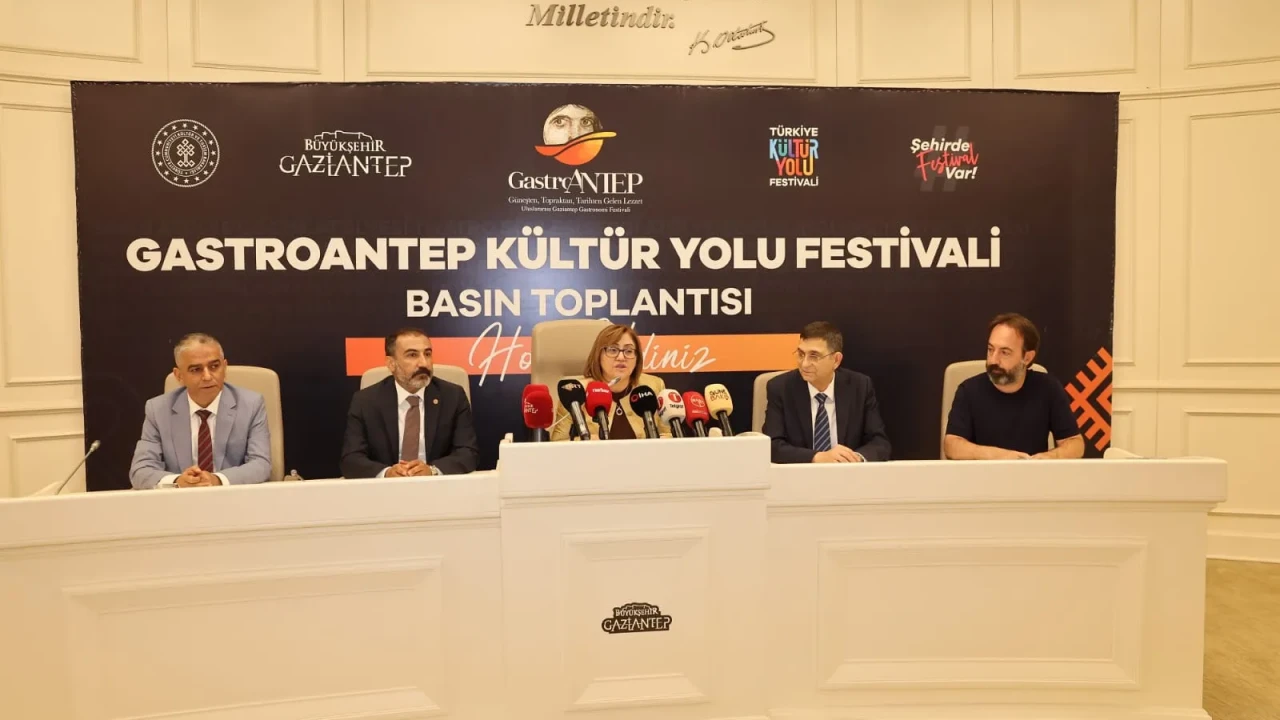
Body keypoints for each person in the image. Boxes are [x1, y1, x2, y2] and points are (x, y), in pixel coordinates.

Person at [129, 333, 271, 489]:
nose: (207, 376)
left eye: (214, 366)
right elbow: (140, 470)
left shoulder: (251, 405)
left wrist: (216, 479)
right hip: (179, 500)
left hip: (232, 497)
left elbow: (261, 465)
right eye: (196, 369)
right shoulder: (157, 410)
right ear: (179, 376)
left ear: (225, 367)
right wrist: (178, 481)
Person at [340, 328, 479, 478]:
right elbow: (351, 459)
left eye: (427, 354)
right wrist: (386, 473)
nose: (424, 363)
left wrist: (432, 470)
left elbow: (468, 452)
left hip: (437, 486)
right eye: (412, 355)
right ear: (391, 364)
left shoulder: (453, 396)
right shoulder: (365, 401)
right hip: (385, 489)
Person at [944, 313, 1084, 460]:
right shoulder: (968, 391)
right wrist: (999, 456)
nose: (993, 360)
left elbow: (1075, 443)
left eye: (1005, 352)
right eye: (990, 349)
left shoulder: (1049, 388)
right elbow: (952, 446)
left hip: (1031, 472)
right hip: (983, 474)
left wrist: (1050, 457)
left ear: (1027, 358)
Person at [762, 321, 891, 463]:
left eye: (814, 356)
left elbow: (879, 443)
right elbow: (772, 446)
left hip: (847, 473)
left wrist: (853, 459)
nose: (804, 364)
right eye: (801, 354)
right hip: (800, 474)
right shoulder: (780, 388)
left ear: (836, 360)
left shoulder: (860, 386)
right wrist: (817, 457)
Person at [551, 323, 671, 440]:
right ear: (599, 355)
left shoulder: (653, 386)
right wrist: (583, 442)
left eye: (629, 351)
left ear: (637, 357)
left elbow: (668, 435)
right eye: (613, 350)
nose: (621, 357)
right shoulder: (575, 392)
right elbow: (557, 443)